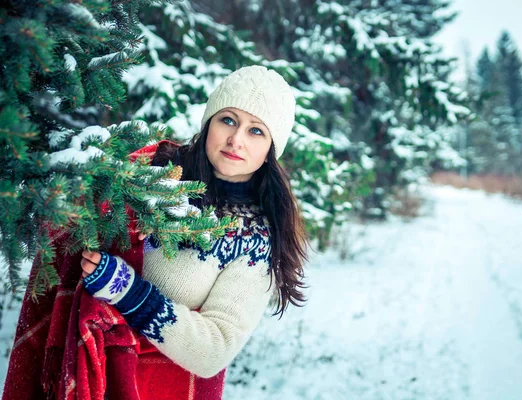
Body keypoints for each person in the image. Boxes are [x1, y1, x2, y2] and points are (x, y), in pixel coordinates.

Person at [2, 65, 309, 400]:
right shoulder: (152, 168)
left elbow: (214, 348)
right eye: (229, 120)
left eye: (256, 131)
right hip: (74, 364)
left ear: (271, 149)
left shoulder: (254, 238)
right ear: (209, 122)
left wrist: (128, 291)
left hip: (153, 387)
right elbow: (65, 209)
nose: (236, 140)